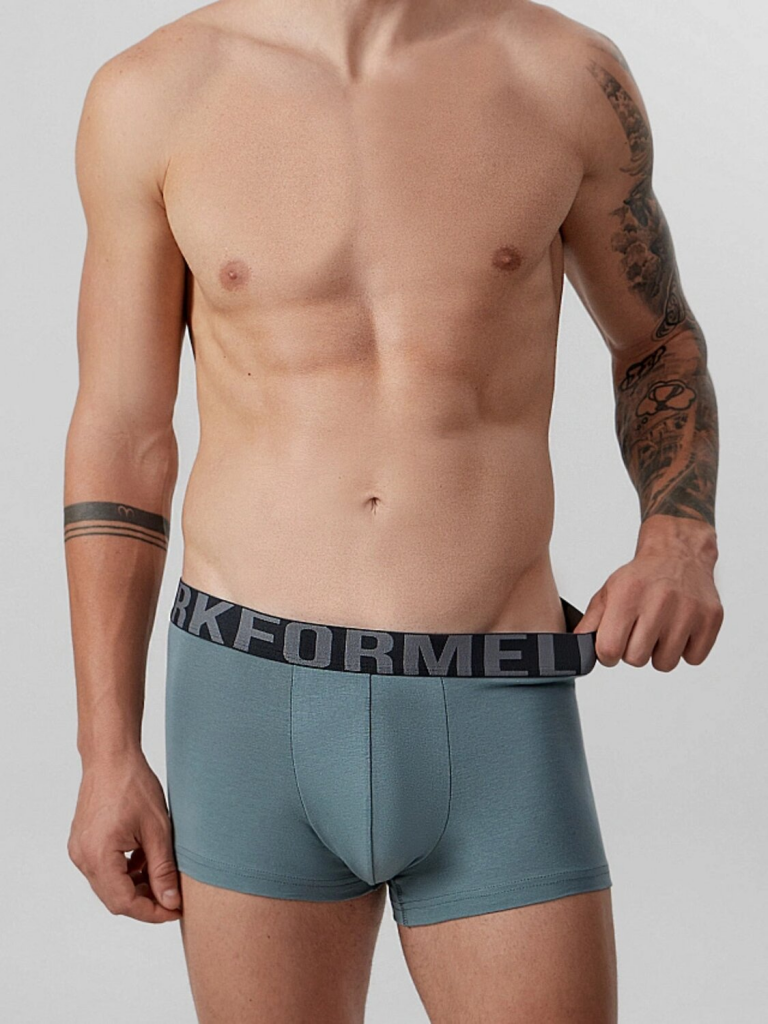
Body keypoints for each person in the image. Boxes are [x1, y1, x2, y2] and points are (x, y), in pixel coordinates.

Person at [63, 1, 723, 1020]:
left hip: (497, 698)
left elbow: (658, 340)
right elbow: (124, 434)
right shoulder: (154, 93)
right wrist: (106, 751)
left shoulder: (562, 75)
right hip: (246, 703)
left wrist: (678, 537)